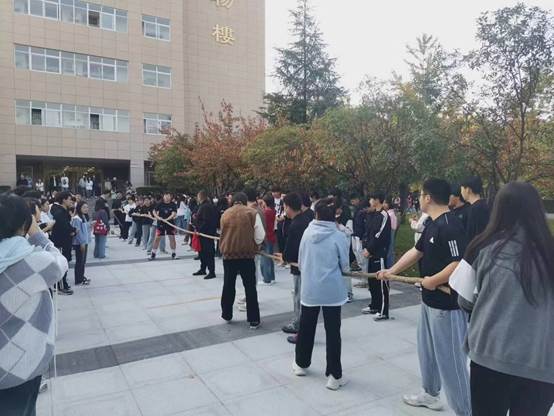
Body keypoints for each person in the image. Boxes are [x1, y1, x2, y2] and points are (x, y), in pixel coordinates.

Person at [452, 182, 554, 416]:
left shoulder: (480, 247)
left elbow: (464, 301)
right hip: (541, 363)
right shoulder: (550, 253)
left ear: (498, 209)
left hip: (489, 357)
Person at [377, 178, 471, 415]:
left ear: (428, 198)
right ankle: (430, 394)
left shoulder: (450, 225)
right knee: (427, 352)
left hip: (447, 307)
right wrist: (391, 271)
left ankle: (466, 410)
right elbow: (416, 251)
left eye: (420, 195)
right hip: (429, 302)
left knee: (451, 362)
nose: (418, 199)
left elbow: (458, 263)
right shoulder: (431, 223)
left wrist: (433, 280)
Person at [0, 194, 68, 416]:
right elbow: (59, 263)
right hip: (17, 367)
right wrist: (37, 233)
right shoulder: (29, 262)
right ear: (24, 223)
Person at [293, 198, 349, 390]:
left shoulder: (307, 233)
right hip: (332, 290)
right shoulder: (338, 236)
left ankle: (301, 364)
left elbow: (301, 261)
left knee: (306, 327)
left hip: (310, 289)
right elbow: (345, 265)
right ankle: (334, 376)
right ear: (334, 216)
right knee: (333, 332)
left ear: (316, 214)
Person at [219, 192, 265, 329]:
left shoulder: (225, 213)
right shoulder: (252, 213)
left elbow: (222, 232)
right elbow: (260, 235)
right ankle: (253, 319)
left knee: (228, 285)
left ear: (232, 201)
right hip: (247, 255)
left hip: (229, 254)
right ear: (245, 201)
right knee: (250, 287)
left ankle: (226, 314)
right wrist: (255, 245)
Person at [279, 192, 313, 340]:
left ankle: (298, 324)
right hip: (306, 264)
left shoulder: (297, 224)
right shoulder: (306, 219)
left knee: (299, 295)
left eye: (284, 206)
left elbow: (293, 248)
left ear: (288, 207)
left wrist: (284, 257)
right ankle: (301, 323)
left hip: (299, 266)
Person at [362, 192, 391, 320]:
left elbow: (380, 235)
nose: (370, 201)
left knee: (381, 282)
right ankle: (374, 305)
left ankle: (383, 310)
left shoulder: (384, 215)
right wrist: (365, 247)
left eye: (371, 198)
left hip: (379, 253)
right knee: (372, 281)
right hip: (371, 253)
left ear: (377, 200)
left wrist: (370, 249)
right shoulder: (372, 214)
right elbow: (367, 232)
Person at [50, 191, 75, 295]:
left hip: (65, 241)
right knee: (61, 264)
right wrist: (73, 230)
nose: (71, 201)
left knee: (65, 263)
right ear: (64, 200)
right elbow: (64, 226)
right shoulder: (59, 212)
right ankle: (61, 286)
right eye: (69, 199)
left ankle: (63, 283)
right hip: (61, 242)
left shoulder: (63, 211)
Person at [193, 190, 219, 278]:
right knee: (202, 252)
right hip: (205, 233)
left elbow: (205, 221)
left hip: (206, 233)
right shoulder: (206, 206)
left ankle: (211, 271)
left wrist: (199, 228)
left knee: (208, 252)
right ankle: (203, 268)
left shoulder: (205, 207)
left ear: (200, 197)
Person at [461, 176, 490, 243]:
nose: (461, 193)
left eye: (461, 189)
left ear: (468, 190)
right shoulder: (485, 204)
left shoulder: (474, 209)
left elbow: (473, 234)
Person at [150, 192, 178, 261]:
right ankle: (153, 254)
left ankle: (173, 253)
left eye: (168, 195)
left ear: (170, 196)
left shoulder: (173, 204)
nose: (167, 197)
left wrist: (167, 219)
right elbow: (154, 211)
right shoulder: (160, 204)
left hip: (170, 223)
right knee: (157, 238)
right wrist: (158, 217)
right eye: (165, 195)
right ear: (163, 196)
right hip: (160, 223)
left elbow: (173, 213)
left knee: (172, 238)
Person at [71, 201, 91, 285]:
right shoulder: (76, 218)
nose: (86, 209)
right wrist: (82, 242)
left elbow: (85, 228)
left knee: (83, 261)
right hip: (79, 243)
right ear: (79, 208)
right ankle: (78, 280)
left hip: (84, 242)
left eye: (87, 207)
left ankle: (81, 276)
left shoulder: (83, 216)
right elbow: (78, 231)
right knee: (79, 261)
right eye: (84, 207)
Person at [260, 193, 276, 284]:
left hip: (266, 236)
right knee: (270, 258)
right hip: (271, 235)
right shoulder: (272, 211)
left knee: (265, 259)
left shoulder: (265, 212)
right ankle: (271, 277)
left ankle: (267, 279)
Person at [383, 197, 398, 268]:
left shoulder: (390, 215)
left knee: (390, 250)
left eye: (385, 203)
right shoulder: (389, 213)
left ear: (389, 204)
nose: (383, 204)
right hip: (390, 232)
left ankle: (390, 267)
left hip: (390, 232)